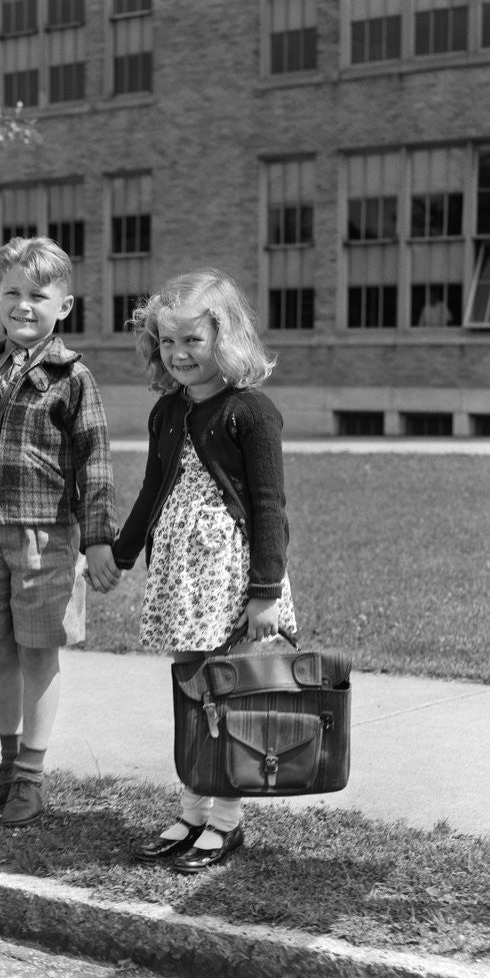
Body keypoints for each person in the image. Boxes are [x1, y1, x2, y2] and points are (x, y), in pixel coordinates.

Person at [0, 236, 120, 827]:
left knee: (38, 651)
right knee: (0, 649)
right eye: (11, 293)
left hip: (46, 539)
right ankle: (6, 763)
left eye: (39, 295)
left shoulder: (72, 377)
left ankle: (32, 776)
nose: (23, 305)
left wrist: (98, 536)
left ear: (64, 305)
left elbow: (96, 460)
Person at [112, 269, 297, 873]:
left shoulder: (251, 411)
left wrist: (264, 592)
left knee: (229, 697)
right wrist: (116, 553)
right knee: (192, 696)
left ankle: (226, 822)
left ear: (226, 337)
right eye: (168, 342)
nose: (179, 354)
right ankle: (191, 811)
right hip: (180, 580)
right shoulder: (168, 411)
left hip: (231, 578)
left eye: (193, 340)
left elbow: (270, 506)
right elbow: (151, 492)